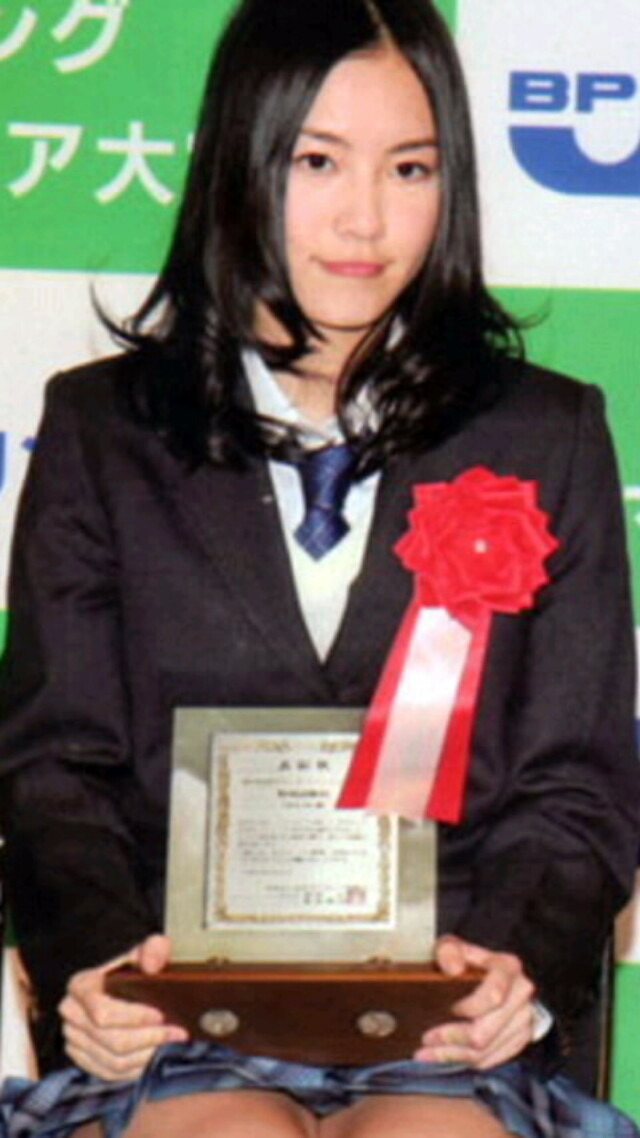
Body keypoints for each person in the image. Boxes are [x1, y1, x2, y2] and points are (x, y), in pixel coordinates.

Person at [0, 0, 638, 1135]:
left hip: (448, 1021)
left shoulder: (547, 435)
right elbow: (57, 767)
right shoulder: (103, 430)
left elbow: (575, 781)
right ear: (241, 161)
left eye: (409, 168)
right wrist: (100, 968)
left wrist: (512, 969)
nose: (365, 218)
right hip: (180, 1012)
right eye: (317, 161)